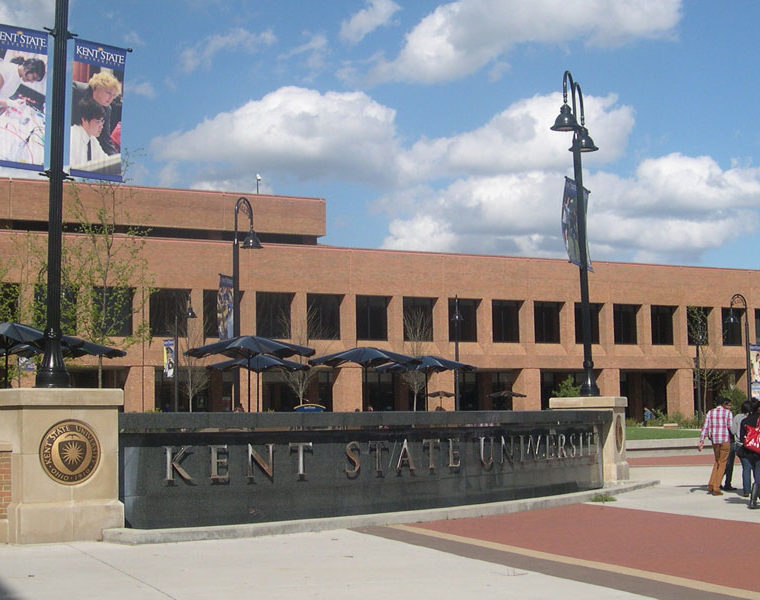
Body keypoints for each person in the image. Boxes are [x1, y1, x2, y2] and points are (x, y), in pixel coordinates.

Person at [71, 71, 121, 155]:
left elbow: (105, 140)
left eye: (113, 95)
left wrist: (117, 160)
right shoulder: (75, 90)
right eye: (108, 93)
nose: (111, 98)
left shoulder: (107, 109)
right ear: (96, 88)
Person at [698, 397, 733, 496]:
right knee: (722, 463)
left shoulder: (710, 412)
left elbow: (705, 427)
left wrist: (701, 440)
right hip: (725, 439)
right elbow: (730, 427)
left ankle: (711, 483)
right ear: (723, 404)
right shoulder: (728, 413)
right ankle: (716, 487)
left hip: (715, 440)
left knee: (717, 461)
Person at [70, 98, 109, 169]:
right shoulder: (72, 137)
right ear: (84, 120)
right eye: (97, 121)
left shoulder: (92, 140)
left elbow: (107, 163)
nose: (101, 126)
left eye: (102, 121)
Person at [724, 399, 751, 493]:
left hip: (739, 444)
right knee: (755, 468)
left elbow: (733, 431)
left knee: (746, 468)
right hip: (752, 444)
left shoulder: (737, 417)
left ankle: (746, 490)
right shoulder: (754, 417)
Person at [735, 399, 757, 498]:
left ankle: (746, 491)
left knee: (746, 469)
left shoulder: (743, 420)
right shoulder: (758, 420)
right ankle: (757, 491)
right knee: (757, 470)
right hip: (756, 448)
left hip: (744, 447)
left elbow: (740, 436)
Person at [741, 399, 760, 508]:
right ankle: (753, 500)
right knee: (758, 475)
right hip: (758, 450)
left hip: (748, 451)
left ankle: (753, 495)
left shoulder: (745, 421)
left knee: (751, 471)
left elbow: (741, 437)